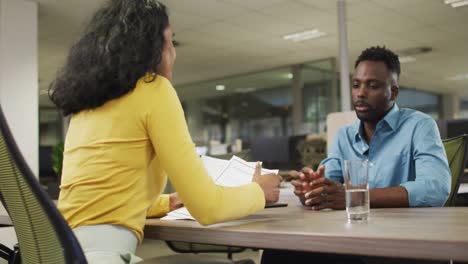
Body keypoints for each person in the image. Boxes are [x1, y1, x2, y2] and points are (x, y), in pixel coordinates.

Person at [49, 1, 280, 263]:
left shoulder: (88, 104)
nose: (173, 52)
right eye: (170, 42)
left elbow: (100, 196)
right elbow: (208, 208)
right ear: (149, 50)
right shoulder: (153, 89)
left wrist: (165, 203)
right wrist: (259, 191)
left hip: (62, 252)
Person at [261, 46, 451, 264]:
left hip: (403, 245)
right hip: (353, 239)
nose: (361, 93)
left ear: (394, 92)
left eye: (373, 86)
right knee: (279, 252)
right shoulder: (344, 135)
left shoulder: (419, 125)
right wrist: (312, 190)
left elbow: (436, 188)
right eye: (356, 85)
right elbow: (329, 182)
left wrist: (358, 198)